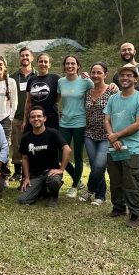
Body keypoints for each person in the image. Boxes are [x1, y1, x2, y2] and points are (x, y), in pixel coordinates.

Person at [104, 64, 139, 228]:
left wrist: (117, 135)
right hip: (114, 147)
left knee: (132, 182)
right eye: (122, 75)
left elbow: (138, 124)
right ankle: (118, 208)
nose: (125, 78)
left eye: (129, 75)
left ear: (135, 79)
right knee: (115, 180)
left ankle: (136, 214)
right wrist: (112, 137)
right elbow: (107, 120)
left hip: (131, 150)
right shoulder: (112, 98)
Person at [112, 42, 139, 201]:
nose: (126, 52)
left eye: (129, 49)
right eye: (123, 50)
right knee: (123, 151)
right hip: (122, 118)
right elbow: (116, 92)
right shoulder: (120, 73)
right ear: (120, 52)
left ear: (134, 51)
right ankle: (126, 185)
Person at [79, 62, 119, 205]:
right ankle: (100, 196)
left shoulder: (112, 90)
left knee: (100, 164)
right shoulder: (87, 92)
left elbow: (120, 109)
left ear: (105, 74)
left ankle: (90, 190)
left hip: (106, 135)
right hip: (89, 133)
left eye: (99, 72)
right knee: (95, 164)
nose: (96, 75)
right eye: (93, 72)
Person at [18, 106, 72, 207]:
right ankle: (42, 190)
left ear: (45, 118)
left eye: (39, 116)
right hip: (35, 175)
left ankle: (53, 195)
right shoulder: (26, 137)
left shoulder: (53, 133)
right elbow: (24, 158)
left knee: (54, 180)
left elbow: (67, 149)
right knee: (23, 199)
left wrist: (61, 169)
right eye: (33, 117)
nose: (36, 119)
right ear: (29, 120)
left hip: (51, 173)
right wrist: (26, 177)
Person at [57, 54, 94, 198]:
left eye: (73, 64)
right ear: (64, 66)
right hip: (64, 122)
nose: (70, 66)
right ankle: (77, 179)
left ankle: (74, 186)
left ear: (78, 66)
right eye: (67, 64)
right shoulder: (61, 81)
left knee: (78, 155)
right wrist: (61, 111)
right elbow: (59, 99)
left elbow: (99, 89)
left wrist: (89, 77)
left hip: (80, 122)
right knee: (62, 155)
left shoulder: (85, 82)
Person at [10, 47, 37, 182]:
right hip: (17, 116)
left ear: (32, 58)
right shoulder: (13, 77)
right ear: (19, 58)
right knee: (16, 145)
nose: (24, 58)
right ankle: (17, 171)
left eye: (27, 55)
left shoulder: (37, 76)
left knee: (33, 144)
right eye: (22, 56)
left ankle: (33, 170)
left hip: (35, 118)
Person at [25, 53, 61, 130]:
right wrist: (25, 120)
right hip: (36, 118)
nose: (43, 64)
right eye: (41, 61)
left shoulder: (56, 78)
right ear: (37, 63)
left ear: (49, 65)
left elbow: (65, 91)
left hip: (51, 118)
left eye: (46, 62)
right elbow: (28, 101)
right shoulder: (31, 79)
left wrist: (82, 76)